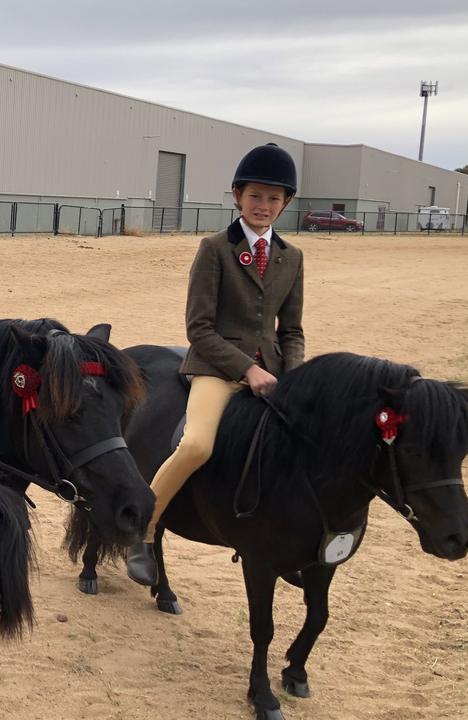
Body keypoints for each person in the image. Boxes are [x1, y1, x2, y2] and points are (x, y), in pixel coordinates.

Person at [126, 143, 306, 586]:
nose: (263, 206)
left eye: (273, 198)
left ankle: (285, 541)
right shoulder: (214, 249)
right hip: (216, 369)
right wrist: (248, 368)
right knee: (196, 446)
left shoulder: (293, 257)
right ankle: (141, 532)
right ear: (237, 196)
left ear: (285, 204)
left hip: (274, 373)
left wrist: (295, 376)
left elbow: (292, 330)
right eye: (255, 196)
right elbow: (199, 327)